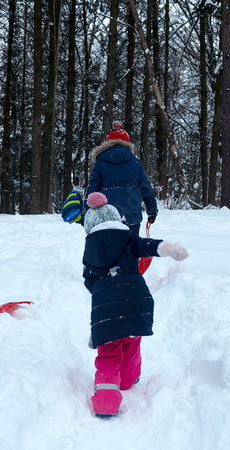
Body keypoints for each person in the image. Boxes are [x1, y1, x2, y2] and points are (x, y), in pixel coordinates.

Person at [82, 192, 188, 418]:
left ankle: (106, 404)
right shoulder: (128, 238)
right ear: (117, 219)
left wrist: (101, 293)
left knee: (109, 353)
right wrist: (168, 248)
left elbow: (89, 281)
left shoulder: (89, 250)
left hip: (106, 309)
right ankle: (128, 381)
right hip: (137, 301)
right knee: (131, 343)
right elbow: (148, 246)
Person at [84, 121, 157, 236]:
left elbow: (92, 190)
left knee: (110, 248)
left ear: (107, 143)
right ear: (127, 143)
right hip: (132, 212)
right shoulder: (135, 163)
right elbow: (145, 188)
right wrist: (152, 210)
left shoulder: (100, 164)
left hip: (108, 213)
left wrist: (86, 211)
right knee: (131, 247)